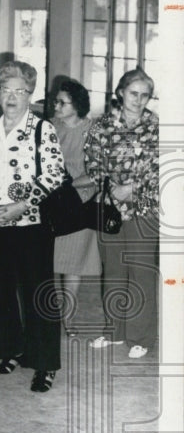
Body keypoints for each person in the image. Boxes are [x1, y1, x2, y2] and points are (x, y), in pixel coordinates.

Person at [0, 60, 65, 392]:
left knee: (37, 293)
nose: (10, 96)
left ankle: (45, 363)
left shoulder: (42, 129)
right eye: (5, 89)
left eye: (18, 90)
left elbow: (53, 174)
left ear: (29, 94)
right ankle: (11, 351)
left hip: (30, 223)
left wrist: (20, 205)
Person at [85, 69, 159, 359]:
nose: (138, 100)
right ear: (120, 92)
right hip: (110, 207)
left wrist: (132, 188)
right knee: (114, 271)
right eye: (133, 93)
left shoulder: (156, 127)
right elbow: (92, 161)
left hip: (144, 209)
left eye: (144, 95)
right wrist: (111, 186)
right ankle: (114, 331)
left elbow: (161, 168)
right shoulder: (102, 125)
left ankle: (141, 337)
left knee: (141, 272)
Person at [49, 79, 101, 330]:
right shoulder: (50, 127)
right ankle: (48, 313)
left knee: (73, 261)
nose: (56, 106)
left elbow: (98, 170)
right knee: (50, 257)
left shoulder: (91, 130)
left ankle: (67, 318)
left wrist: (69, 188)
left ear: (77, 105)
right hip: (51, 197)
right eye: (55, 101)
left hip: (79, 198)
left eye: (62, 102)